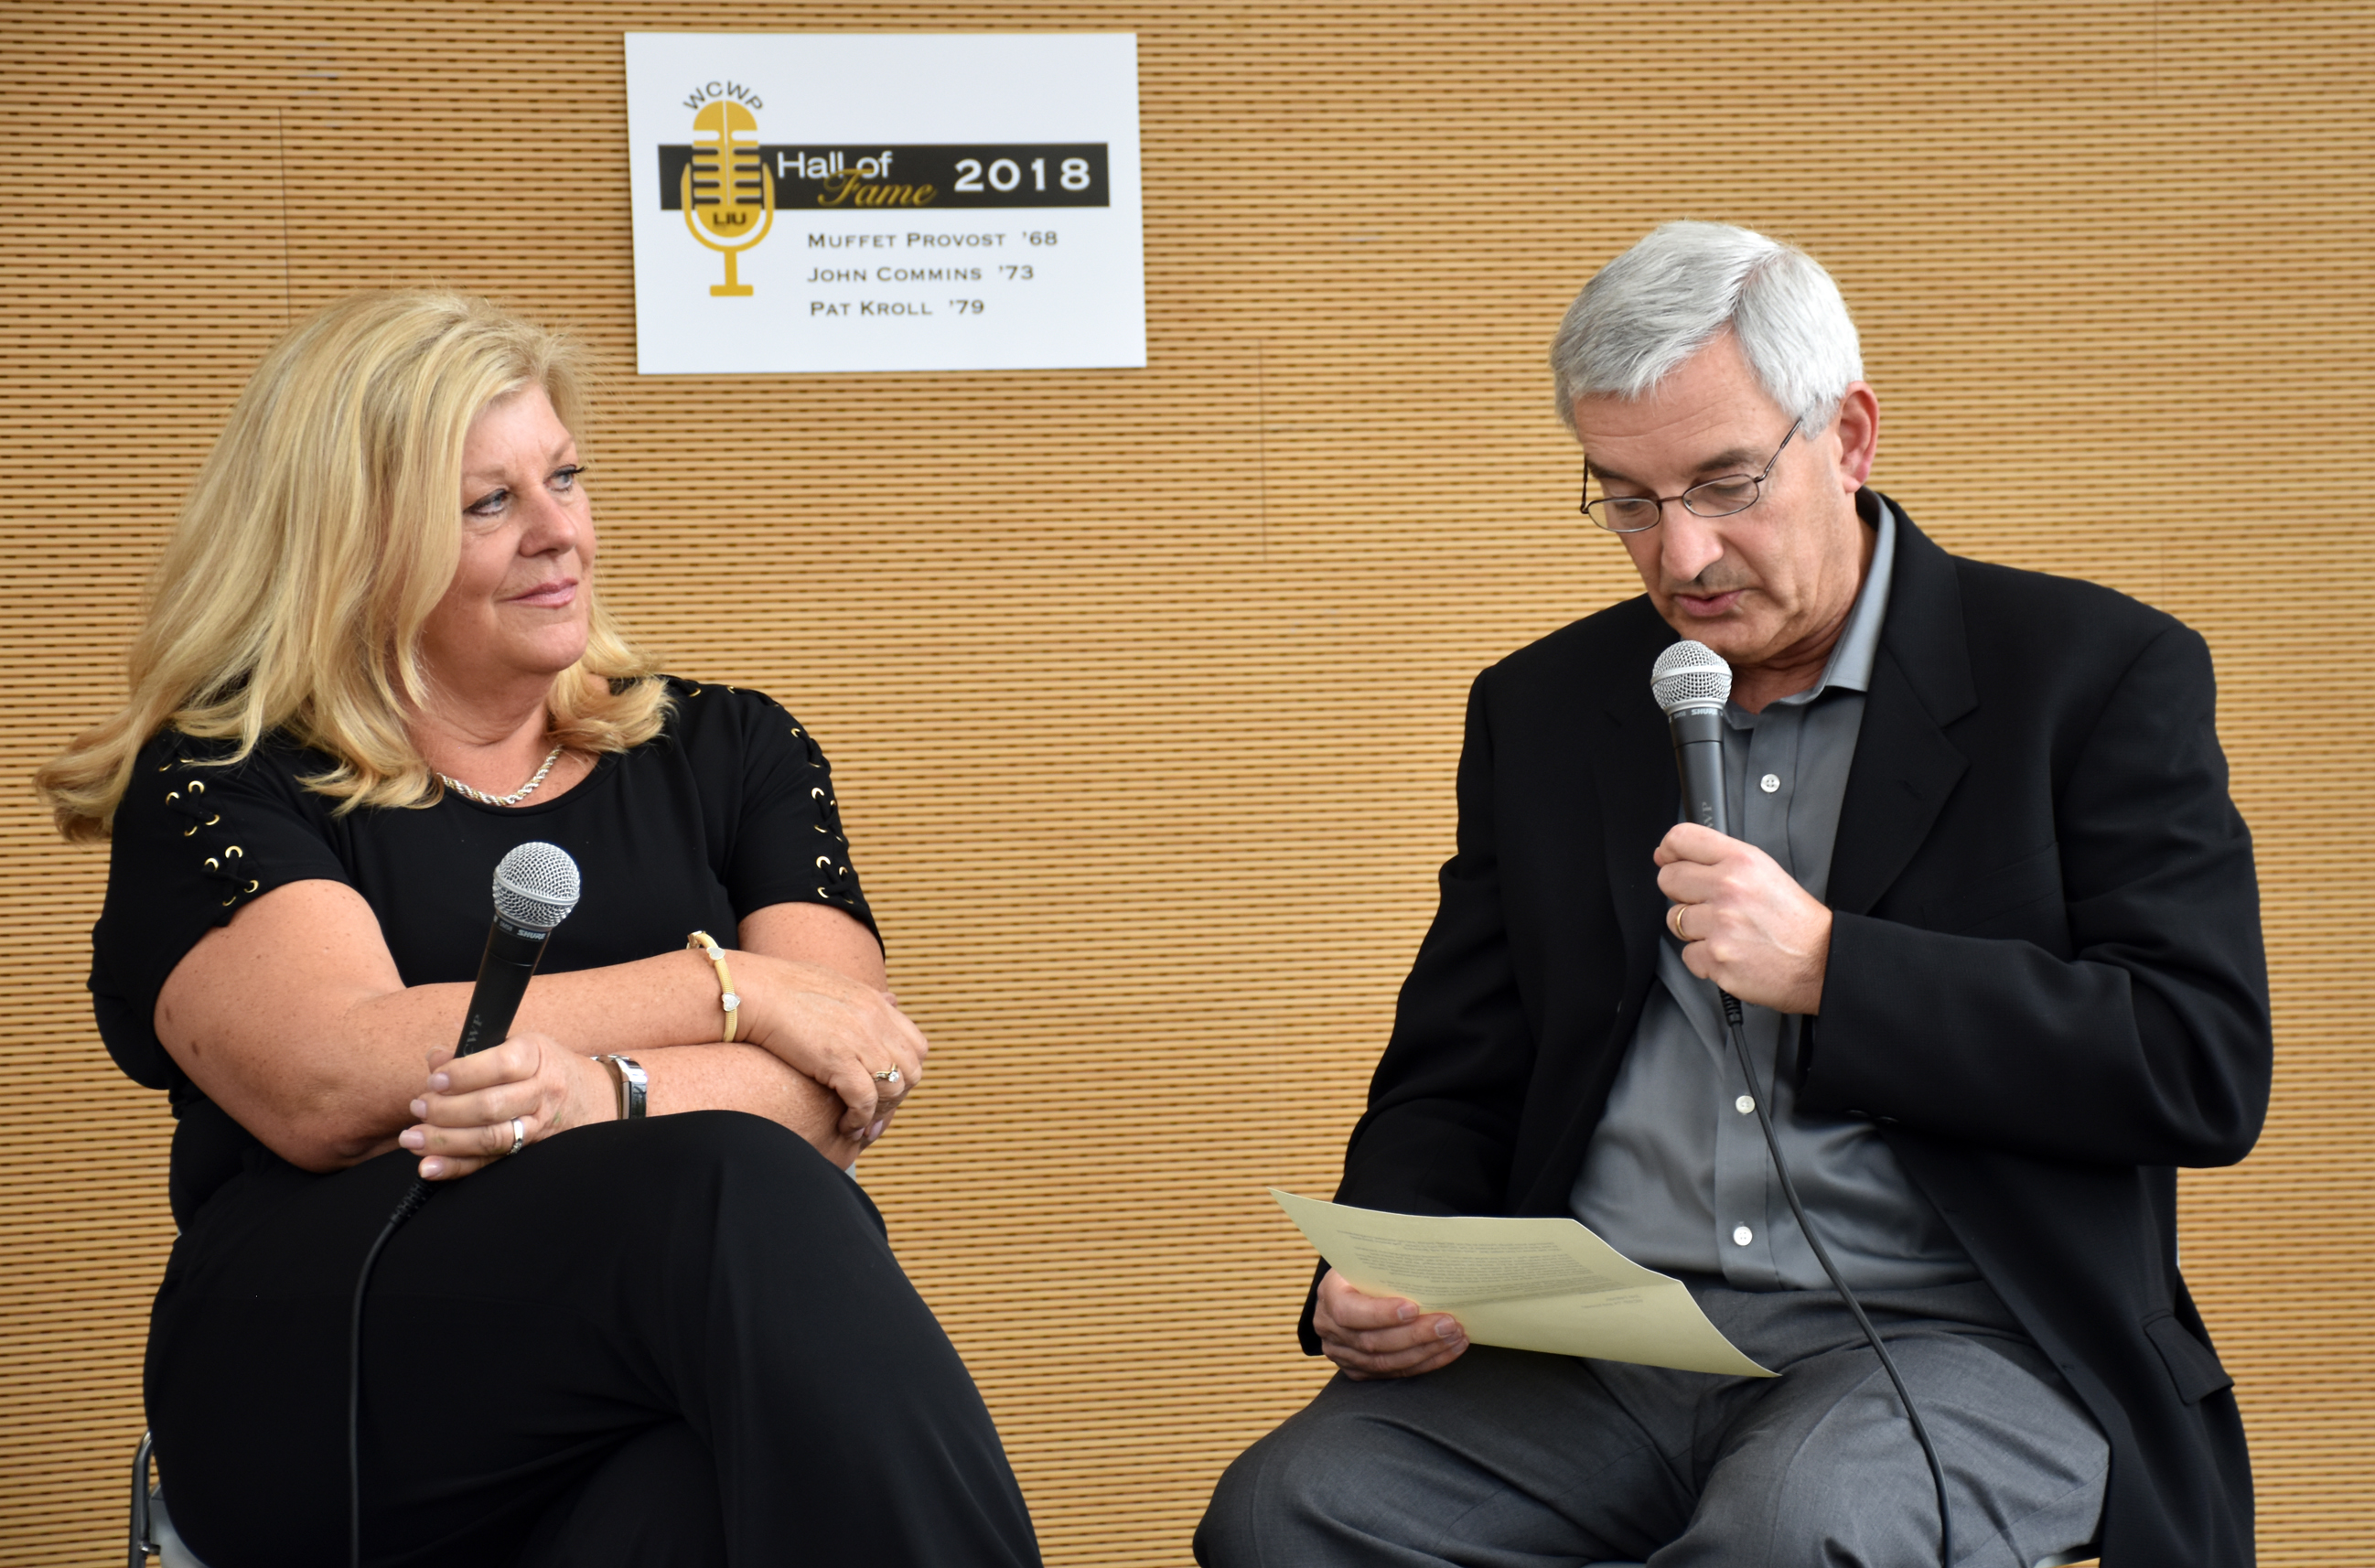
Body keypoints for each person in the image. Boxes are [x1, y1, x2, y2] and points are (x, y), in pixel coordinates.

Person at [1198, 223, 2269, 1568]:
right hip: (1604, 1345)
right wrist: (1390, 1267)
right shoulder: (1543, 707)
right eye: (1629, 501)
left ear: (1850, 437)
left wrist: (1833, 968)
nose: (1684, 553)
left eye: (1725, 483)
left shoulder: (2090, 673)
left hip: (1963, 1339)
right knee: (1289, 1512)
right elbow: (1458, 1072)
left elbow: (2197, 1063)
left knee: (1790, 1529)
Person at [37, 290, 1043, 1568]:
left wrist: (594, 1094)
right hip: (338, 1373)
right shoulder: (225, 777)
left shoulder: (734, 749)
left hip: (650, 1359)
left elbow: (849, 1069)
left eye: (564, 477)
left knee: (704, 1487)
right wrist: (727, 989)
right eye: (488, 503)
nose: (560, 530)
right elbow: (330, 1074)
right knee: (732, 1187)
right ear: (352, 544)